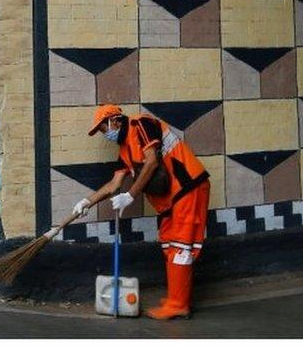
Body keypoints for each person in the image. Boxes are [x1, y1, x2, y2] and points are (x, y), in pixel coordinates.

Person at [73, 104, 211, 320]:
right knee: (168, 244)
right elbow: (114, 184)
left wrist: (131, 195)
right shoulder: (125, 150)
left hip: (188, 188)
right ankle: (177, 296)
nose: (104, 133)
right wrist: (86, 202)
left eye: (103, 128)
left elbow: (152, 161)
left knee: (181, 246)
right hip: (169, 200)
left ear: (115, 120)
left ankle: (178, 304)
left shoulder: (141, 124)